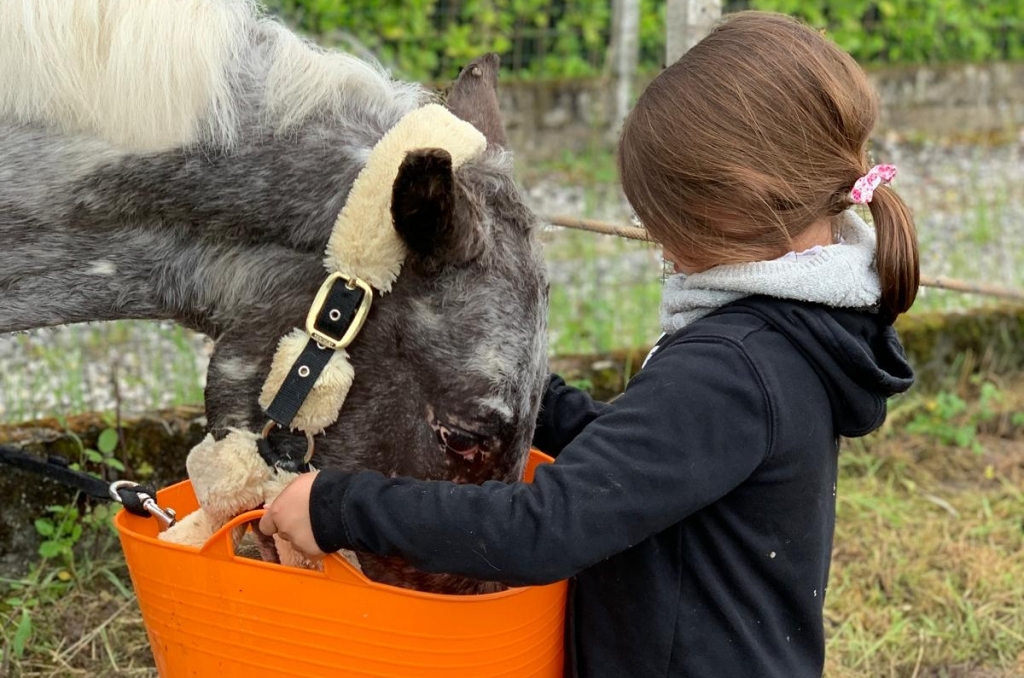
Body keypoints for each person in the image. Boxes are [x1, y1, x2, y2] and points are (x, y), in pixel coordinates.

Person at [259, 11, 917, 677]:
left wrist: (339, 505)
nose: (655, 240)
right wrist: (513, 387)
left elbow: (545, 527)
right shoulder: (794, 336)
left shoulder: (732, 366)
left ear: (724, 210)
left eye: (656, 217)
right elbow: (650, 464)